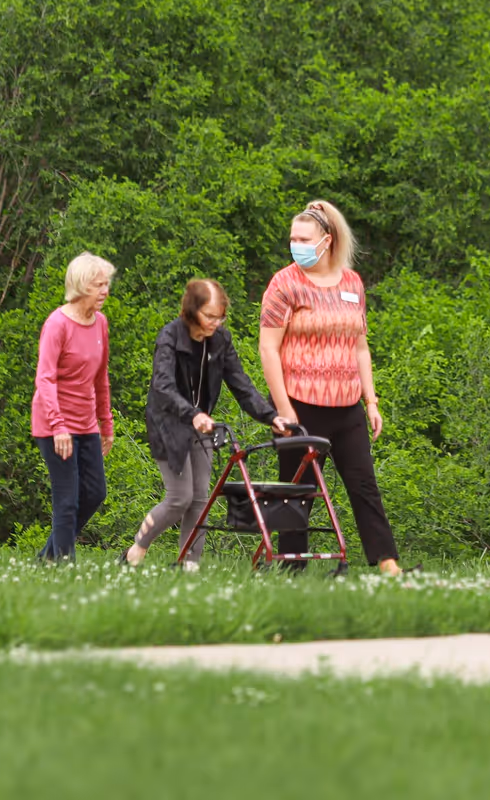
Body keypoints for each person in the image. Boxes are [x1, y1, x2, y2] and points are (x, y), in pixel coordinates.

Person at [259, 200, 402, 575]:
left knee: (364, 485)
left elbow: (360, 345)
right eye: (292, 238)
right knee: (298, 491)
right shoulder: (284, 283)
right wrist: (283, 409)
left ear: (327, 240)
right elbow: (268, 349)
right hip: (302, 404)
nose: (296, 244)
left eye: (303, 238)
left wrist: (371, 401)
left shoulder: (352, 282)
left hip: (347, 406)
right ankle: (294, 569)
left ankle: (388, 564)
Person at [125, 279, 291, 567]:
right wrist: (192, 414)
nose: (216, 322)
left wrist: (270, 416)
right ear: (192, 311)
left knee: (200, 498)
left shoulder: (221, 340)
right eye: (209, 316)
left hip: (202, 425)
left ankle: (189, 566)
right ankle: (138, 548)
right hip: (169, 422)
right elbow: (162, 386)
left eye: (220, 316)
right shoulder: (170, 337)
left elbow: (241, 385)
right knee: (179, 498)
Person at [29, 252, 115, 561]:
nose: (104, 290)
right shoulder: (57, 324)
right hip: (54, 425)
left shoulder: (100, 323)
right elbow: (45, 378)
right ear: (80, 285)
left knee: (95, 492)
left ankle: (48, 556)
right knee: (66, 500)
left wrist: (106, 424)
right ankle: (62, 569)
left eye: (106, 284)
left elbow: (100, 377)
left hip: (86, 422)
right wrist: (58, 426)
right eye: (98, 284)